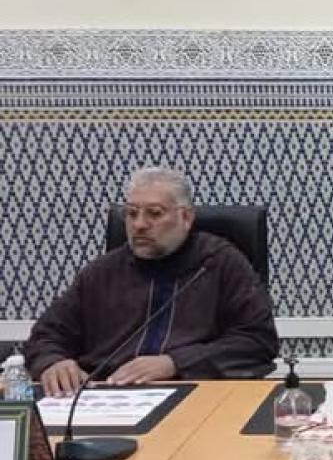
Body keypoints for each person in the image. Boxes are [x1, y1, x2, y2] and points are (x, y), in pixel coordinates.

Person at [26, 166, 279, 396]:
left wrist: (175, 363)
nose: (139, 224)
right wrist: (53, 362)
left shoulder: (219, 264)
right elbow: (46, 335)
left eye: (154, 214)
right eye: (131, 213)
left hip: (197, 394)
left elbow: (257, 342)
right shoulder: (101, 272)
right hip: (106, 396)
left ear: (186, 218)